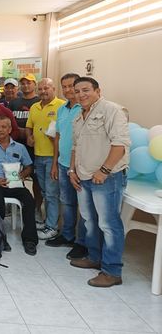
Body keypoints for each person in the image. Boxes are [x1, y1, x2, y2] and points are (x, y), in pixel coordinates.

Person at [69, 77, 130, 288]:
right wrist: (72, 170)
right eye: (77, 91)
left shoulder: (113, 110)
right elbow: (75, 147)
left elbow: (120, 144)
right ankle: (94, 257)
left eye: (86, 90)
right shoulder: (78, 116)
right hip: (83, 176)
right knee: (89, 220)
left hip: (107, 178)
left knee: (109, 224)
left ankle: (112, 271)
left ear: (98, 91)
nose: (81, 94)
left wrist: (104, 171)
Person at [0, 116, 38, 255]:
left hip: (15, 184)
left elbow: (29, 166)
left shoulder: (20, 147)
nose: (0, 130)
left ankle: (30, 240)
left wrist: (22, 175)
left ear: (10, 129)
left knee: (29, 200)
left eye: (4, 127)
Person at [48, 73, 87, 259]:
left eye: (71, 86)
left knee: (84, 207)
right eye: (64, 86)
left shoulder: (85, 108)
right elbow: (58, 137)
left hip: (82, 166)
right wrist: (55, 163)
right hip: (63, 163)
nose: (68, 90)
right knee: (67, 202)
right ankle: (67, 236)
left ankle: (82, 243)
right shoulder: (62, 109)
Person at [26, 78, 65, 241]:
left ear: (54, 89)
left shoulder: (62, 106)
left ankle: (52, 227)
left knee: (51, 193)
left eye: (46, 88)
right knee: (44, 191)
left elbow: (66, 132)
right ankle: (48, 221)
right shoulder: (34, 107)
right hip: (38, 155)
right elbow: (29, 126)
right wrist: (29, 137)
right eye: (40, 89)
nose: (43, 91)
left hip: (53, 157)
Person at [8, 73, 42, 215]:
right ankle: (14, 205)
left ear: (35, 84)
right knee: (13, 175)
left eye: (29, 82)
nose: (26, 85)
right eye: (23, 83)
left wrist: (28, 133)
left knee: (36, 177)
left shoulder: (39, 101)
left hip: (33, 146)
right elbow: (9, 123)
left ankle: (37, 207)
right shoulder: (14, 102)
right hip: (15, 145)